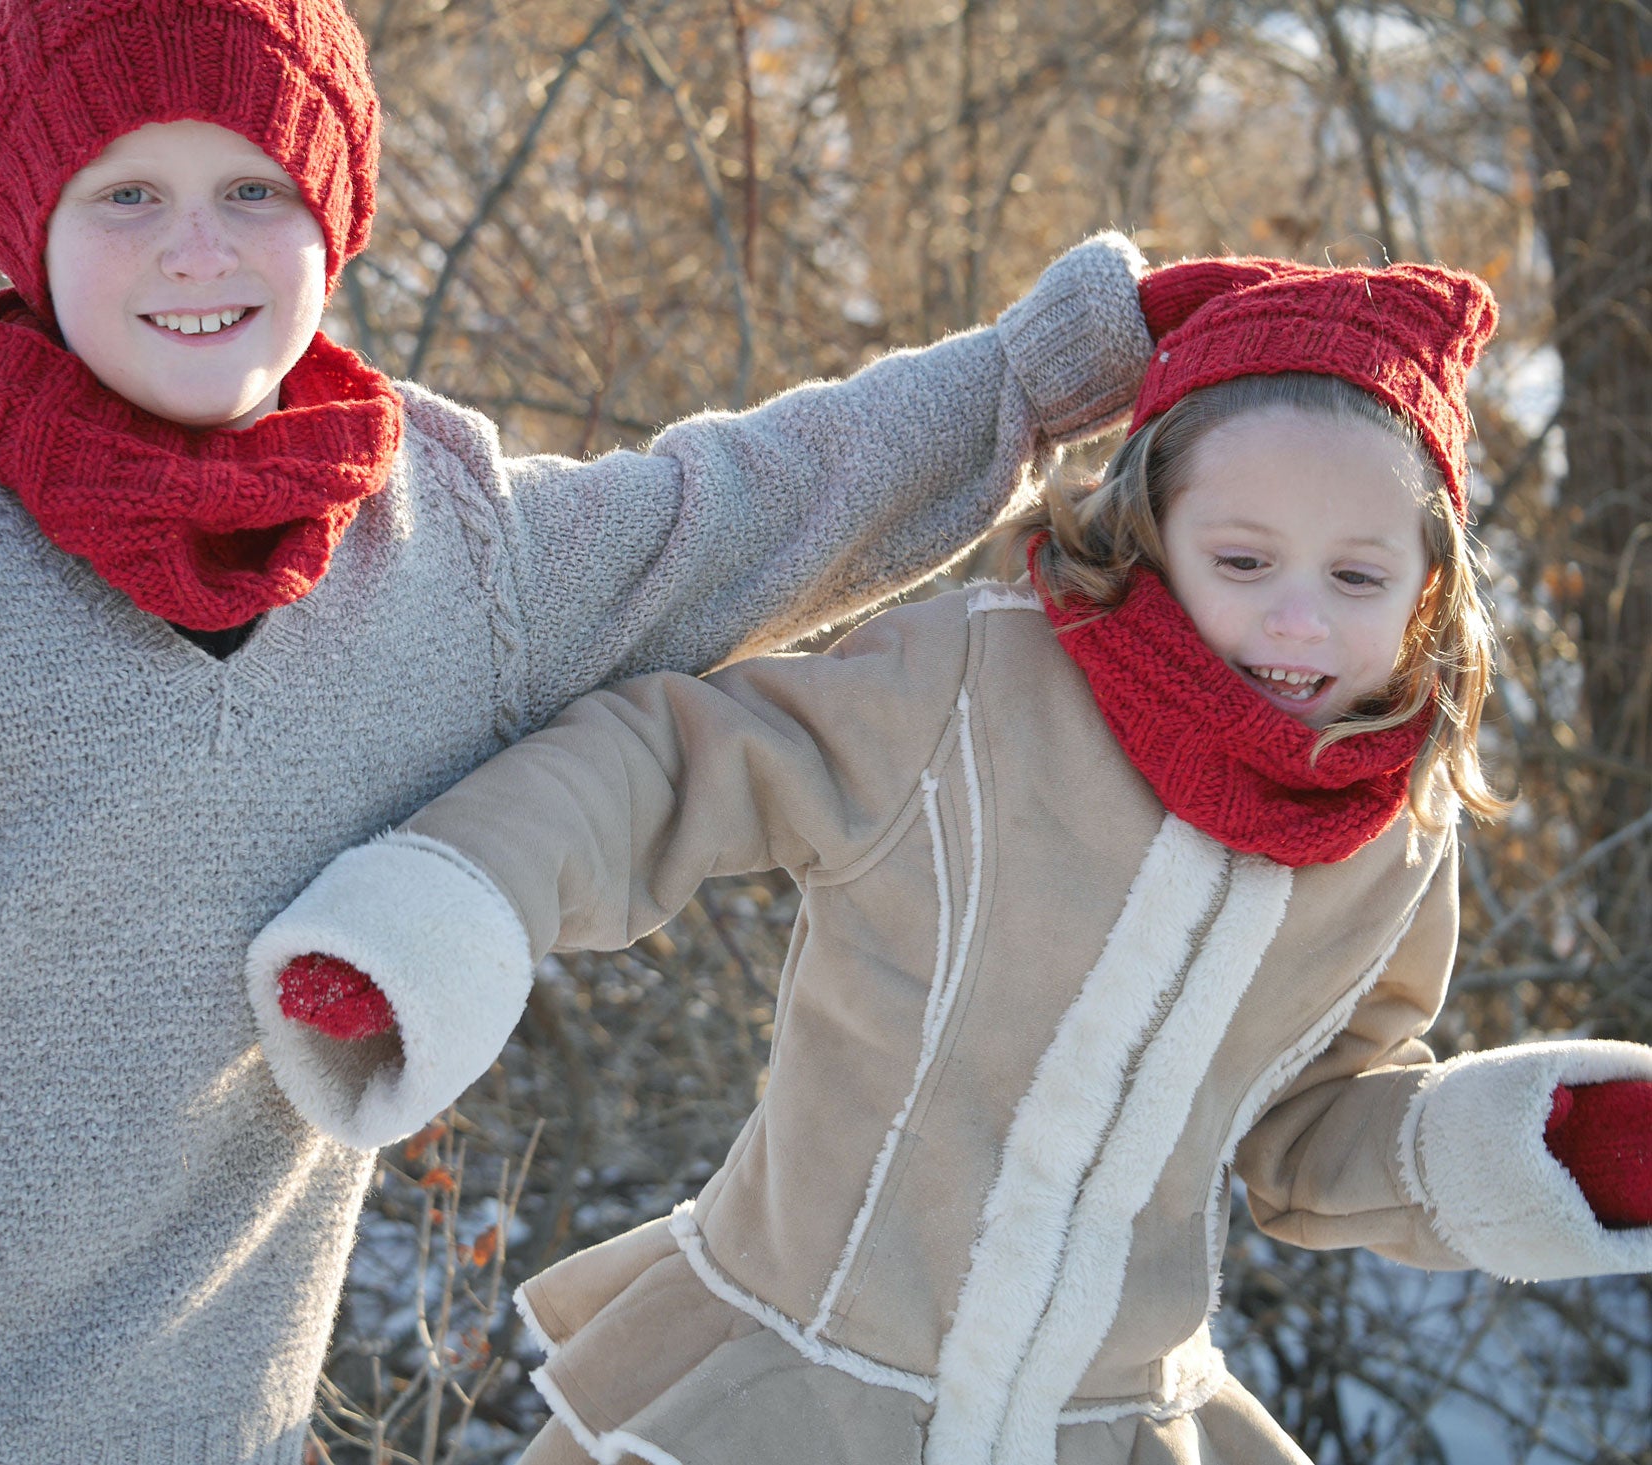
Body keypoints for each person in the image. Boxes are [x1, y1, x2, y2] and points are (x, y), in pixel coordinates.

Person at [0, 0, 1168, 1456]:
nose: (195, 246)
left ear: (333, 214)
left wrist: (1042, 378)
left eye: (253, 187)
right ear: (26, 226)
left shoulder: (441, 556)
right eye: (126, 190)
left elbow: (743, 513)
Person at [250, 258, 1652, 1465]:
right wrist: (449, 907)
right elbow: (676, 761)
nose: (1299, 620)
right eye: (1243, 558)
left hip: (1105, 1417)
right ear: (1152, 524)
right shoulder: (974, 683)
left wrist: (1533, 1151)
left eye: (1356, 577)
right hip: (793, 1388)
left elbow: (1305, 1128)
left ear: (1429, 585)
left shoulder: (1394, 834)